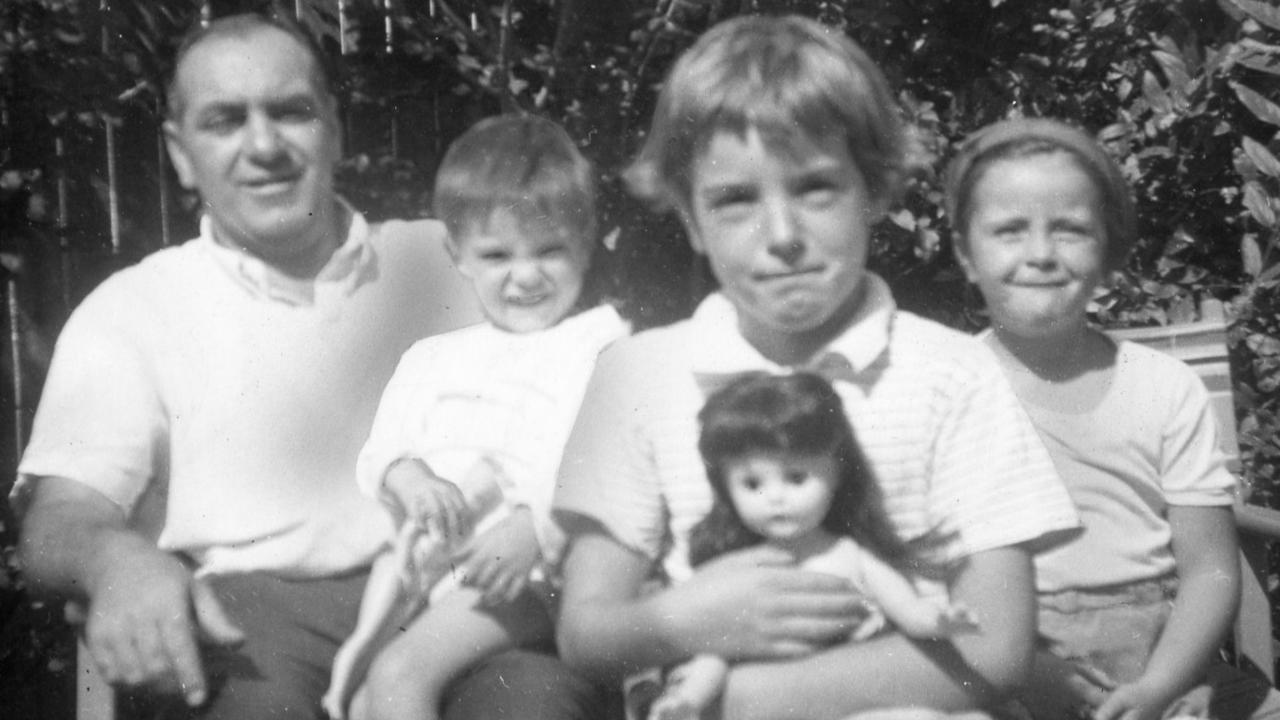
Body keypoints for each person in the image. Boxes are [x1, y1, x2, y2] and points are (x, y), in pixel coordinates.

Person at [11, 13, 601, 720]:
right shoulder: (134, 310)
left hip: (459, 595)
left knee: (535, 704)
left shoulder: (458, 261)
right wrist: (114, 560)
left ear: (334, 128)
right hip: (260, 614)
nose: (264, 146)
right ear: (178, 152)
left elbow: (597, 395)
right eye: (226, 121)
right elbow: (60, 520)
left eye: (290, 112)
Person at [552, 14, 1080, 720]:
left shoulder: (950, 373)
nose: (782, 237)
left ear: (877, 191)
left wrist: (739, 699)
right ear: (688, 218)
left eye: (815, 188)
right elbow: (585, 633)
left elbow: (997, 648)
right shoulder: (636, 376)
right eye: (736, 200)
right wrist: (680, 624)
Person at [945, 117, 1280, 720]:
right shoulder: (944, 388)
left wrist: (1162, 685)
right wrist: (1021, 671)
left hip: (1162, 658)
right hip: (1005, 660)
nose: (1040, 254)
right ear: (967, 255)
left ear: (1109, 253)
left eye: (1071, 230)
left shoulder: (1162, 387)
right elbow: (921, 569)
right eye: (1009, 230)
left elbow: (1209, 571)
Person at [323, 114, 629, 720]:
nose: (526, 275)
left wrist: (534, 527)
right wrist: (412, 478)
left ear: (587, 242)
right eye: (496, 255)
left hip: (543, 575)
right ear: (457, 254)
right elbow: (382, 452)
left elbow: (605, 462)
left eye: (550, 250)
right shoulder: (435, 357)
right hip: (441, 577)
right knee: (361, 701)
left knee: (399, 675)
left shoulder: (600, 344)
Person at [646, 372, 979, 720]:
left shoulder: (851, 556)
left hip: (856, 694)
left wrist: (940, 620)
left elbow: (908, 610)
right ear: (727, 491)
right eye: (752, 483)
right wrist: (689, 697)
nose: (775, 497)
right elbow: (715, 652)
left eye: (796, 477)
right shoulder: (742, 569)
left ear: (836, 475)